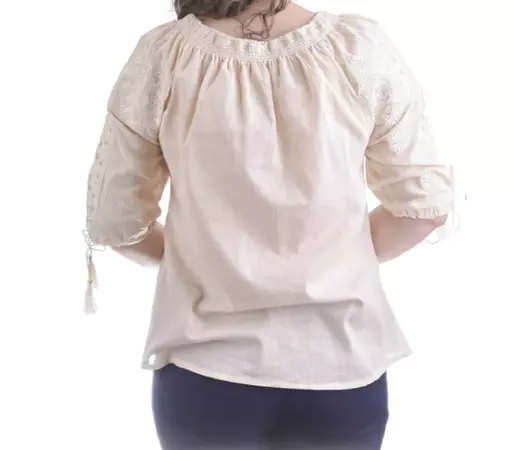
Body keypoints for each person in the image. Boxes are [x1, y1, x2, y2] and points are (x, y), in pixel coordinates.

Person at [84, 0, 456, 448]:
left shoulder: (163, 56)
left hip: (204, 374)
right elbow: (423, 207)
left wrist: (199, 258)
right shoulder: (358, 48)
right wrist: (333, 259)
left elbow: (115, 219)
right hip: (341, 368)